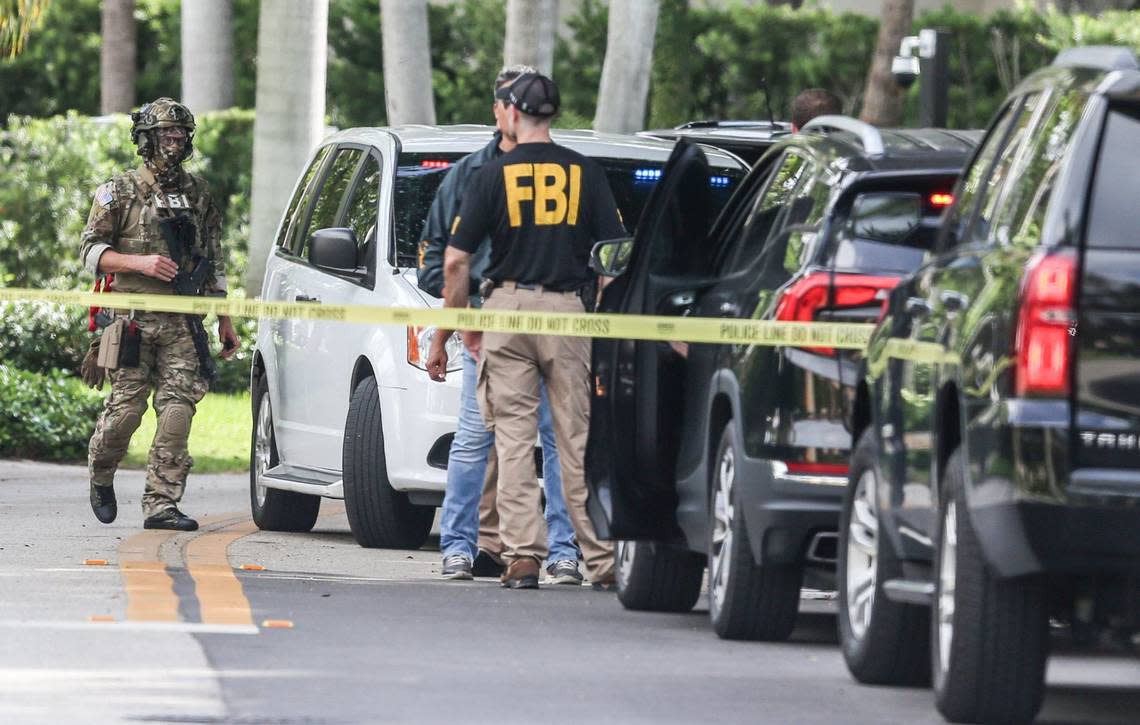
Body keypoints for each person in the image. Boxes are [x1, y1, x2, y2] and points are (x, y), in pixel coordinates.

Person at [439, 72, 622, 590]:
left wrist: (464, 322)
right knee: (574, 440)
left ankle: (521, 558)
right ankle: (600, 561)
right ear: (552, 115)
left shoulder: (493, 174)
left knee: (513, 441)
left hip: (507, 310)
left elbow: (455, 261)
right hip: (568, 312)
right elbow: (612, 258)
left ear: (513, 114)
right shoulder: (585, 173)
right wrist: (601, 317)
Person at [419, 66, 582, 585]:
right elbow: (439, 262)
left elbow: (598, 256)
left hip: (555, 324)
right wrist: (462, 323)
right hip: (488, 331)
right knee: (474, 439)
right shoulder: (471, 174)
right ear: (500, 109)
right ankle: (459, 547)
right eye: (515, 102)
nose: (521, 112)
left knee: (557, 440)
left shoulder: (569, 172)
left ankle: (560, 551)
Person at [80, 97, 239, 531]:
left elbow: (214, 257)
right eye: (167, 133)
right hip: (130, 317)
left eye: (181, 133)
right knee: (125, 414)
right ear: (147, 139)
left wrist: (224, 318)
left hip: (183, 322)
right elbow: (90, 251)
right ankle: (100, 470)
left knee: (176, 413)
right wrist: (140, 264)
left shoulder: (198, 193)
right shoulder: (120, 190)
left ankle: (161, 504)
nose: (175, 140)